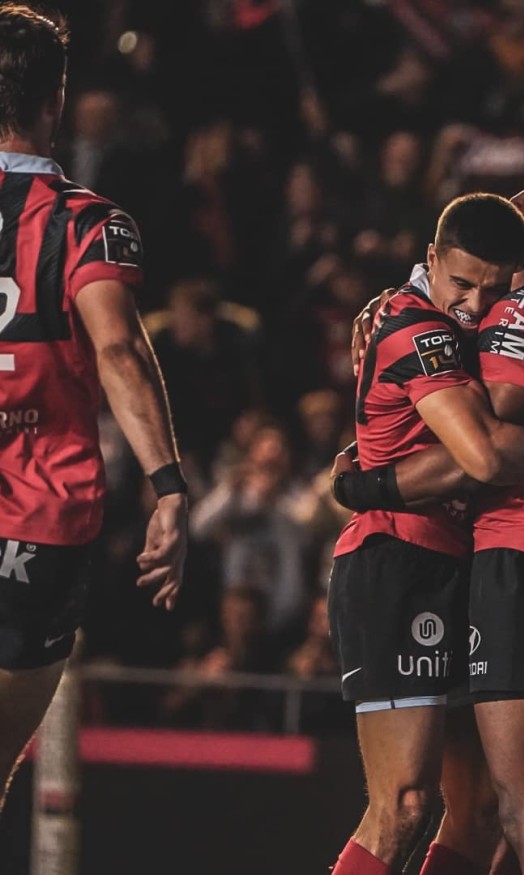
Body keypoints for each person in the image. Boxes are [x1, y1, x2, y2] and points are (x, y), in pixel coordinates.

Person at [340, 144, 524, 875]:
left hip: (522, 553)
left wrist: (366, 484)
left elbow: (487, 451)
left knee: (512, 806)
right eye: (462, 284)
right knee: (441, 806)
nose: (518, 199)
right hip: (435, 555)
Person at [0, 4, 187, 811]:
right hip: (37, 522)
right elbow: (120, 352)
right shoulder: (88, 224)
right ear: (57, 99)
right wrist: (168, 486)